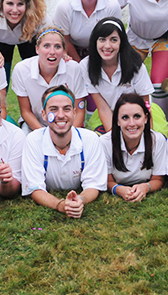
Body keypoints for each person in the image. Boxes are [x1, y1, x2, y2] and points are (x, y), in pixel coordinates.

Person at [22, 85, 107, 218]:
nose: (60, 115)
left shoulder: (91, 139)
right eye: (53, 109)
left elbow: (93, 185)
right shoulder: (32, 140)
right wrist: (60, 205)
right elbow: (35, 188)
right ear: (44, 114)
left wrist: (80, 200)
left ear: (74, 113)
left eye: (66, 109)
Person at [80, 17, 161, 134]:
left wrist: (145, 137)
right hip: (110, 114)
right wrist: (115, 137)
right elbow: (103, 107)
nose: (107, 46)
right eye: (102, 39)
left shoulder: (135, 65)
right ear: (95, 42)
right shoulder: (86, 66)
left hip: (138, 115)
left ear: (121, 42)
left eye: (113, 40)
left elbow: (145, 104)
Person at [12, 27, 87, 133]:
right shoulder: (22, 69)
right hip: (36, 124)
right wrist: (45, 135)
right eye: (46, 46)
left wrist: (69, 135)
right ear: (37, 49)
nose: (52, 52)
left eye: (57, 47)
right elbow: (26, 111)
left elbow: (79, 111)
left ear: (63, 50)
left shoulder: (74, 68)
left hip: (68, 125)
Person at [100, 93, 168, 202]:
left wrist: (146, 187)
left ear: (146, 118)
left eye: (137, 116)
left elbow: (158, 179)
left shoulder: (157, 140)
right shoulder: (104, 142)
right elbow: (107, 180)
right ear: (117, 121)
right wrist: (119, 190)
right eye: (125, 117)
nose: (131, 123)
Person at [52, 0, 123, 61]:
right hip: (72, 50)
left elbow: (114, 39)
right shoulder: (64, 6)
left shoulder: (112, 5)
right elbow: (64, 40)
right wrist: (79, 65)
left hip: (104, 49)